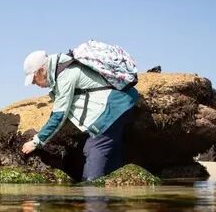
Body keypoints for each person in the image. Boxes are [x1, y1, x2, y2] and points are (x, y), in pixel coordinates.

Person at [20, 50, 139, 181]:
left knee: (94, 150)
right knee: (111, 157)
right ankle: (118, 191)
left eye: (34, 80)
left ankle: (93, 195)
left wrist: (36, 142)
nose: (34, 84)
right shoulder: (63, 69)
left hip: (112, 108)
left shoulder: (65, 75)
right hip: (121, 104)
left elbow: (59, 115)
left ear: (41, 71)